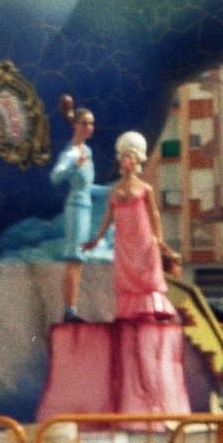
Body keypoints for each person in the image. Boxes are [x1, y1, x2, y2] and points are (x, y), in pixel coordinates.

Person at [82, 130, 179, 319]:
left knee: (143, 271)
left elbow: (154, 214)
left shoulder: (145, 188)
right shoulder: (114, 189)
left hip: (142, 237)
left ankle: (150, 309)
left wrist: (159, 239)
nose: (125, 160)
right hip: (124, 240)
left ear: (136, 161)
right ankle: (131, 311)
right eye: (123, 157)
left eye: (130, 157)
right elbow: (108, 217)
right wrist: (97, 239)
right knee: (127, 274)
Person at [49, 95, 96, 321]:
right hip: (76, 207)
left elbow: (88, 186)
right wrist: (72, 167)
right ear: (76, 126)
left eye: (91, 123)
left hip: (85, 206)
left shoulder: (88, 152)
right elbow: (55, 176)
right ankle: (69, 309)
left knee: (79, 260)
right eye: (85, 123)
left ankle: (72, 307)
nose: (89, 127)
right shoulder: (71, 153)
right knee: (73, 258)